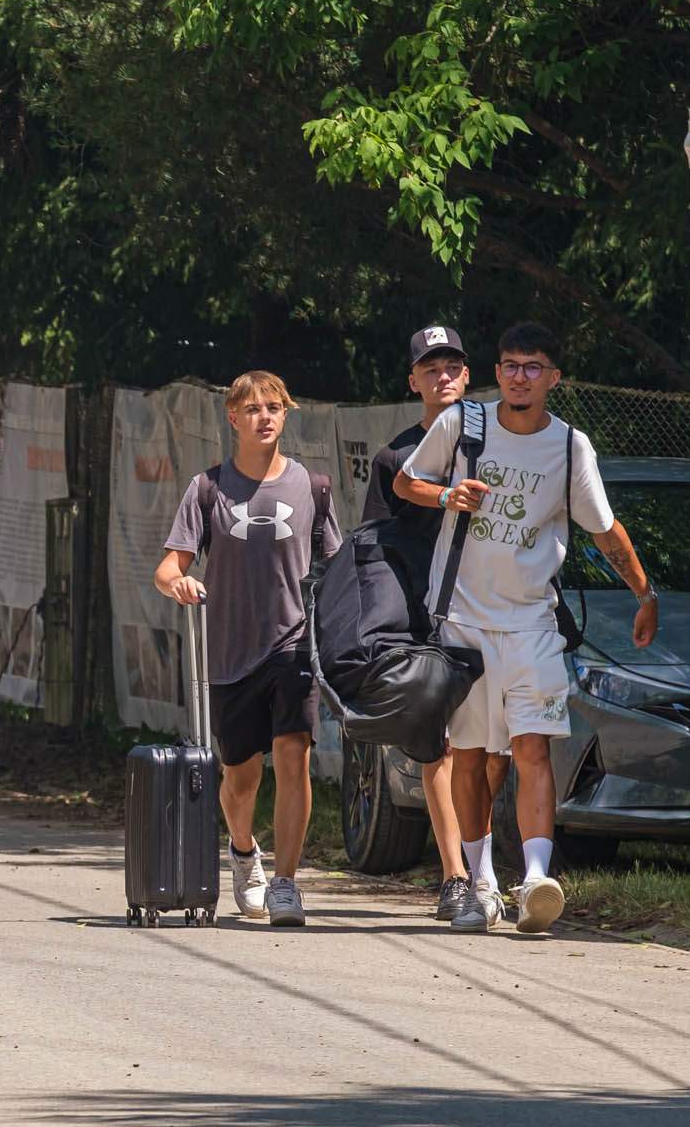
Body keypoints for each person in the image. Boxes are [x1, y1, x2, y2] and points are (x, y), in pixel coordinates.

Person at [395, 322, 660, 934]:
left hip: (534, 622)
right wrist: (446, 497)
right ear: (498, 372)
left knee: (531, 746)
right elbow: (404, 482)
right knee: (468, 754)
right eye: (511, 365)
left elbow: (603, 528)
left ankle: (537, 879)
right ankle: (479, 885)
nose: (520, 376)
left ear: (554, 378)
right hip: (461, 620)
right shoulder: (463, 425)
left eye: (533, 367)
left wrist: (644, 592)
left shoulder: (570, 447)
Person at [153, 372, 341, 927]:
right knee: (240, 779)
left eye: (275, 407)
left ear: (287, 415)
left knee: (293, 756)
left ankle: (285, 883)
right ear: (232, 418)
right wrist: (178, 583)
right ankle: (243, 851)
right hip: (232, 653)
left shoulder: (313, 487)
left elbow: (333, 571)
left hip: (294, 646)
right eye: (253, 408)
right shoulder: (207, 488)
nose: (265, 416)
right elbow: (168, 566)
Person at [358, 325, 498, 924]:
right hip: (426, 614)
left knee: (496, 749)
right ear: (412, 380)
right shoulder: (396, 458)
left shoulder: (502, 442)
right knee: (439, 746)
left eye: (452, 366)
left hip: (495, 612)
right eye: (429, 367)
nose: (442, 375)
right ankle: (456, 878)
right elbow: (377, 548)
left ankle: (489, 867)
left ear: (468, 375)